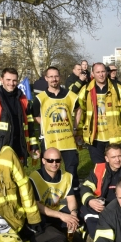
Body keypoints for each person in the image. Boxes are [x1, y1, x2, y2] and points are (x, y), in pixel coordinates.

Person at [80, 143, 121, 242]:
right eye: (113, 157)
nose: (117, 160)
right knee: (86, 209)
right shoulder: (98, 169)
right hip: (101, 206)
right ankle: (97, 241)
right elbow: (85, 187)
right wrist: (90, 200)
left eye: (119, 156)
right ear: (106, 158)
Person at [32, 66, 81, 197]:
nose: (54, 79)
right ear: (46, 78)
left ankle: (74, 200)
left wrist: (75, 127)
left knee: (72, 171)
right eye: (51, 76)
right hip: (50, 141)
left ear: (60, 77)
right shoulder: (40, 98)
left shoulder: (70, 95)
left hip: (68, 141)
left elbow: (79, 110)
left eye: (56, 76)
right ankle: (47, 199)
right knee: (48, 172)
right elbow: (35, 115)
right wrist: (46, 125)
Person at [0, 67, 39, 164]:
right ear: (1, 80)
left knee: (18, 178)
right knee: (0, 178)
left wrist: (33, 145)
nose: (11, 83)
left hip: (19, 146)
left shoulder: (23, 99)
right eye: (8, 80)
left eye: (14, 80)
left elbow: (29, 126)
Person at [76, 62, 121, 164]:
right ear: (93, 73)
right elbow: (81, 112)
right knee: (99, 167)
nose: (101, 74)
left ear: (107, 72)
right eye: (98, 72)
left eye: (103, 71)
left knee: (115, 167)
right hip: (94, 138)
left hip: (113, 136)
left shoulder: (117, 88)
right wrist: (79, 131)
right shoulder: (86, 90)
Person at [29, 147, 79, 234]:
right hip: (43, 213)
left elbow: (71, 199)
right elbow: (37, 206)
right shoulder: (34, 178)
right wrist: (61, 216)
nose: (54, 163)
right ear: (43, 161)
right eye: (50, 160)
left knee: (81, 212)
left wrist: (73, 213)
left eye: (58, 160)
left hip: (57, 208)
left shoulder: (66, 176)